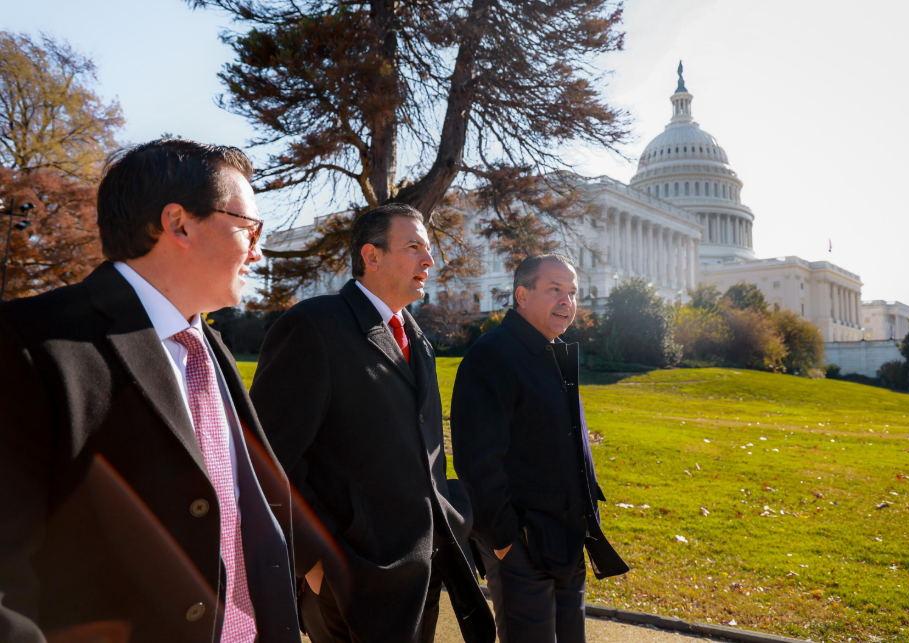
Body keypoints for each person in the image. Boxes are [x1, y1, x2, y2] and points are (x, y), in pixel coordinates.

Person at [0, 139, 304, 643]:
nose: (258, 249)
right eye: (250, 227)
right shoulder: (26, 343)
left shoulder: (211, 348)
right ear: (178, 223)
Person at [249, 204, 494, 643]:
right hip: (349, 582)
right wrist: (314, 561)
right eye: (414, 247)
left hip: (420, 574)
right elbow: (267, 454)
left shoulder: (416, 337)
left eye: (428, 249)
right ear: (372, 255)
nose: (429, 260)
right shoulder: (312, 325)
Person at [451, 253, 630, 643]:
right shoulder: (491, 355)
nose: (567, 301)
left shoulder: (556, 351)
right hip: (521, 548)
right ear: (522, 295)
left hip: (568, 539)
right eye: (554, 289)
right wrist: (505, 543)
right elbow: (477, 463)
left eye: (572, 292)